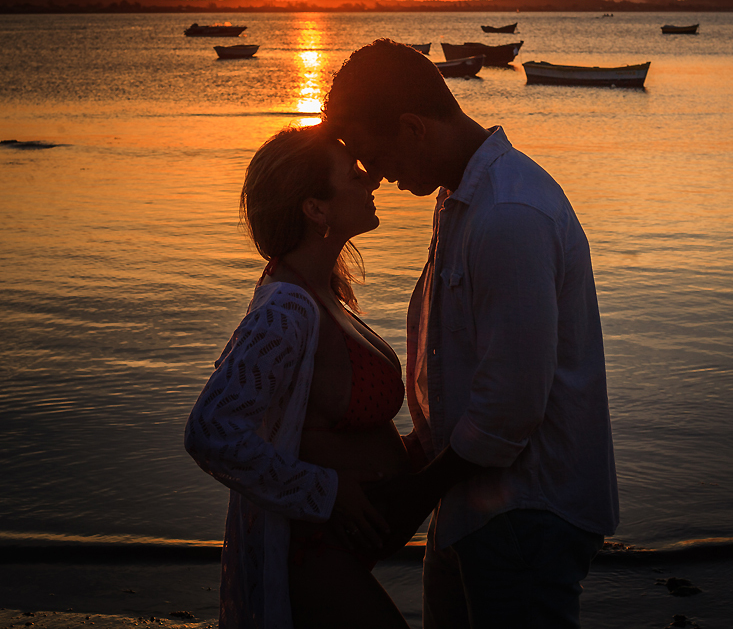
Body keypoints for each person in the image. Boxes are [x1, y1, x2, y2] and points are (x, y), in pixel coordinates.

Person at [322, 38, 620, 629]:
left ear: (413, 127)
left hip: (526, 512)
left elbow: (509, 407)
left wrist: (415, 494)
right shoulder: (465, 197)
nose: (376, 178)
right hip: (476, 504)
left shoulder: (509, 214)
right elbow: (466, 365)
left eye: (374, 157)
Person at [184, 124, 418, 629]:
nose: (371, 180)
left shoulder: (319, 291)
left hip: (337, 549)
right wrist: (326, 491)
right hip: (313, 553)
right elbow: (211, 431)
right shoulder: (286, 307)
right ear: (316, 209)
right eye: (353, 174)